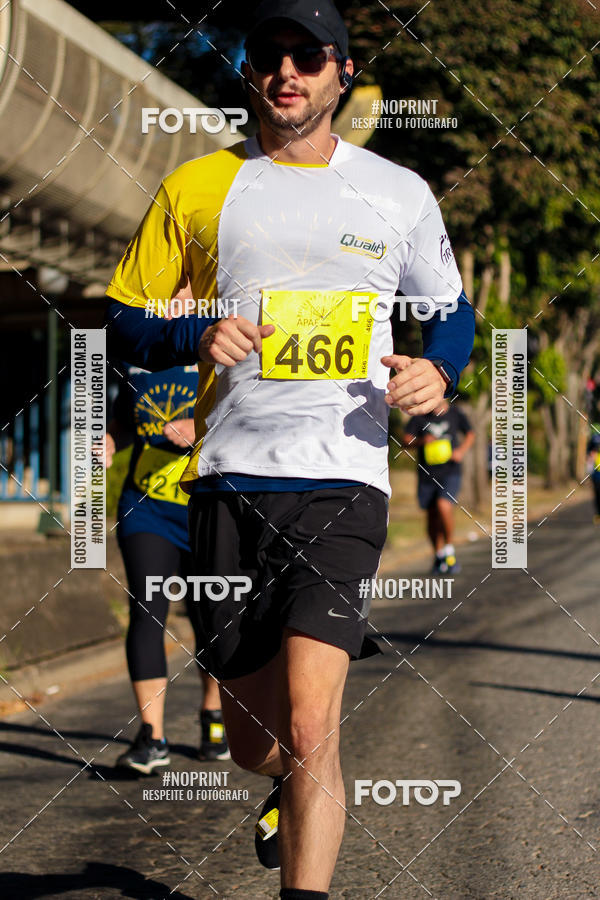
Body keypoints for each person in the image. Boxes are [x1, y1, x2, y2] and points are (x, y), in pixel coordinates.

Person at [103, 0, 475, 894]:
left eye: (308, 56)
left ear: (343, 71)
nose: (287, 72)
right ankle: (282, 786)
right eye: (270, 54)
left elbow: (451, 311)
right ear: (250, 71)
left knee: (314, 729)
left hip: (344, 480)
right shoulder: (198, 187)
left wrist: (441, 370)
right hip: (227, 483)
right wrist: (191, 335)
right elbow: (120, 320)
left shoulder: (397, 191)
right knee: (256, 744)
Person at [105, 354, 230, 773]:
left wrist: (203, 427)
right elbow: (125, 421)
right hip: (147, 508)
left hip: (209, 508)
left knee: (211, 615)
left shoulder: (224, 346)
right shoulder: (137, 357)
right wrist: (111, 439)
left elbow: (255, 415)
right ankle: (152, 736)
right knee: (146, 611)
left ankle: (213, 716)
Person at [404, 398, 474, 574]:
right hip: (427, 474)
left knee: (444, 505)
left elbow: (470, 434)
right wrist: (421, 441)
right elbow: (406, 440)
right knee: (432, 516)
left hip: (450, 471)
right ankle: (439, 555)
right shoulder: (420, 415)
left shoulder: (455, 413)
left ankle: (449, 549)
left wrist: (461, 451)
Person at [586, 424, 600, 524]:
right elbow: (588, 454)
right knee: (597, 494)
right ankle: (598, 514)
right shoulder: (593, 438)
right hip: (596, 474)